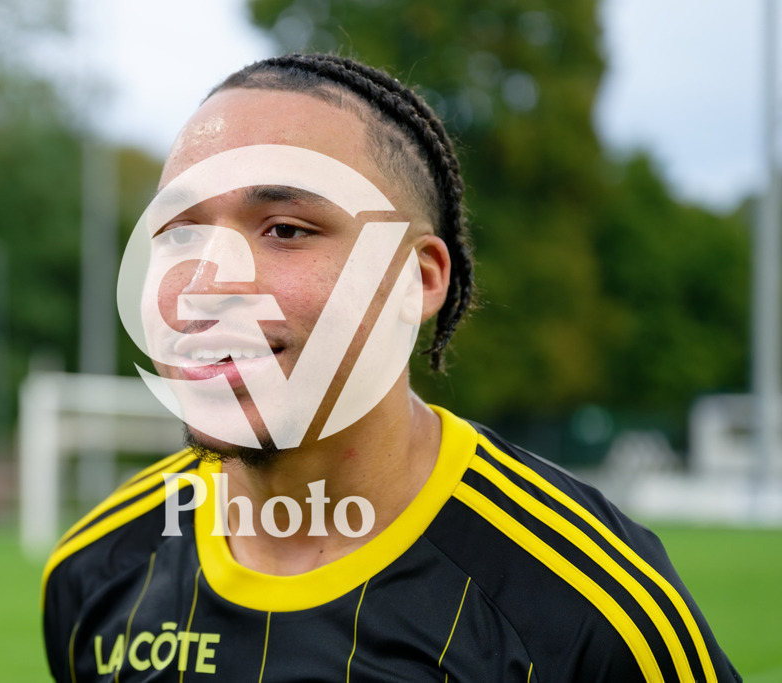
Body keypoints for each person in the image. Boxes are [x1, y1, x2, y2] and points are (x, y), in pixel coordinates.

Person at [41, 53, 741, 682]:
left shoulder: (591, 607)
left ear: (419, 277)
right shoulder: (93, 571)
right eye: (178, 233)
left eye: (285, 229)